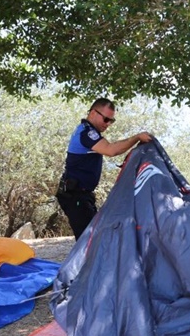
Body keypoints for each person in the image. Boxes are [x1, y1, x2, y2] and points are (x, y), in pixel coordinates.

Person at [56, 98, 152, 239]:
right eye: (106, 119)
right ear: (93, 113)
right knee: (89, 242)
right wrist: (136, 137)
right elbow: (110, 150)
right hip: (75, 195)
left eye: (111, 121)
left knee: (94, 239)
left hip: (82, 195)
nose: (108, 124)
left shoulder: (88, 132)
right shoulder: (86, 133)